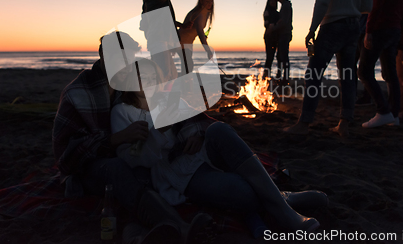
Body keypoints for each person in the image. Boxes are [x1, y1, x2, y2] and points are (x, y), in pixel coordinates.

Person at [111, 58, 327, 236]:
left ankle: (286, 213)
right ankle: (283, 195)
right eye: (141, 77)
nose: (148, 82)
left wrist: (196, 132)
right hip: (178, 173)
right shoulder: (123, 111)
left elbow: (198, 120)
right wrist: (157, 133)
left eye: (152, 77)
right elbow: (134, 160)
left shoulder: (166, 100)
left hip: (203, 152)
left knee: (218, 129)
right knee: (243, 193)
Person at [53, 31, 211, 244]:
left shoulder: (127, 88)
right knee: (117, 168)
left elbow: (178, 108)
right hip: (87, 170)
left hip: (132, 162)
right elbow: (66, 158)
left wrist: (195, 131)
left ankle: (137, 233)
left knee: (143, 174)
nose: (126, 66)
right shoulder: (78, 92)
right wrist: (116, 139)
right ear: (103, 55)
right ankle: (180, 228)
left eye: (130, 59)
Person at [284, 0, 372, 137]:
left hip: (332, 25)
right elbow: (368, 5)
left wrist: (312, 29)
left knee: (313, 74)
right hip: (353, 27)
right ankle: (344, 124)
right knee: (348, 76)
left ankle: (304, 123)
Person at [358, 0, 403, 128]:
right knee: (390, 73)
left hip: (380, 28)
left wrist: (369, 31)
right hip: (394, 29)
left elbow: (375, 5)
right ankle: (394, 115)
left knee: (363, 71)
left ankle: (383, 111)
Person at [140, 0, 206, 82]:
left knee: (170, 75)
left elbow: (158, 19)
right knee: (165, 76)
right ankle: (161, 99)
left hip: (160, 41)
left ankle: (166, 98)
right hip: (159, 41)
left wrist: (180, 25)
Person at [177, 0, 215, 73]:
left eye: (211, 1)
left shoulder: (206, 13)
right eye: (207, 1)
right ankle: (184, 84)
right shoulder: (199, 14)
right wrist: (208, 51)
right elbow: (200, 33)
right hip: (181, 42)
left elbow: (198, 31)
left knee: (187, 67)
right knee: (188, 66)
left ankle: (184, 84)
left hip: (188, 43)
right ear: (201, 1)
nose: (210, 3)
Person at [272, 0, 293, 83]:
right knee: (280, 56)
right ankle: (281, 75)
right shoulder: (285, 6)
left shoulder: (286, 6)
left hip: (284, 34)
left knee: (283, 56)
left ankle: (284, 77)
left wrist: (274, 27)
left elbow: (283, 22)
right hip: (284, 34)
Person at [263, 0, 280, 78]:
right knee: (270, 57)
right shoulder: (267, 12)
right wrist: (271, 26)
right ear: (268, 3)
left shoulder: (277, 13)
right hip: (269, 36)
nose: (273, 3)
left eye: (274, 1)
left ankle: (276, 75)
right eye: (271, 1)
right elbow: (266, 24)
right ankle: (266, 77)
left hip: (276, 37)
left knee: (278, 57)